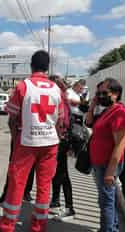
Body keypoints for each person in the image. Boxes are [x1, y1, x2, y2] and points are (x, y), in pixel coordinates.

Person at [0, 50, 62, 232]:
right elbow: (61, 120)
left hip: (27, 143)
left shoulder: (23, 86)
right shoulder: (56, 88)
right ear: (47, 67)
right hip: (50, 143)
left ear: (31, 65)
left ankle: (7, 226)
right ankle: (38, 227)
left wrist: (15, 137)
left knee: (17, 184)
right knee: (44, 186)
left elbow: (12, 116)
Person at [89, 78, 125, 232]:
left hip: (108, 165)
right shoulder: (108, 110)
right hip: (100, 163)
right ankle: (111, 228)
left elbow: (120, 144)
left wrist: (110, 172)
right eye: (98, 93)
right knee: (108, 199)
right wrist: (93, 105)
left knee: (106, 201)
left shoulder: (120, 112)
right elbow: (89, 123)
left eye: (103, 93)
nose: (100, 96)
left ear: (115, 94)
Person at [48, 75, 75, 220]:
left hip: (60, 141)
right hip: (61, 140)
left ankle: (69, 207)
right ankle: (55, 201)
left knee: (63, 175)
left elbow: (63, 122)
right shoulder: (62, 97)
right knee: (57, 173)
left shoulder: (59, 98)